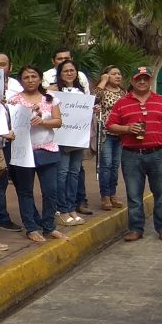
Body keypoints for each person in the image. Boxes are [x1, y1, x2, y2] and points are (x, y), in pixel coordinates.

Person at [105, 67, 162, 242]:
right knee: (134, 195)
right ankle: (135, 229)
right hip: (131, 156)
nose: (142, 82)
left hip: (158, 154)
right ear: (132, 81)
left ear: (150, 80)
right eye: (138, 79)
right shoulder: (121, 103)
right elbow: (110, 125)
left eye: (145, 78)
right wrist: (127, 129)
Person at [7, 66, 69, 244]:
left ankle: (49, 226)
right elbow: (10, 122)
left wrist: (43, 121)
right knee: (25, 191)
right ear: (21, 80)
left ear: (40, 78)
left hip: (47, 149)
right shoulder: (14, 100)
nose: (30, 79)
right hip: (23, 151)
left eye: (34, 76)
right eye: (26, 77)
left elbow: (58, 122)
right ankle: (31, 227)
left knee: (51, 191)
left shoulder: (50, 99)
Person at [0, 52, 24, 233]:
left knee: (8, 180)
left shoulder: (17, 86)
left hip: (16, 140)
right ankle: (1, 217)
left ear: (10, 67)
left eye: (2, 64)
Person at [53, 60, 90, 226]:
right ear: (59, 73)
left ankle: (71, 207)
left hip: (77, 139)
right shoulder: (54, 91)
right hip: (61, 139)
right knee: (62, 174)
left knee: (74, 173)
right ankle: (61, 209)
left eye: (72, 70)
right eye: (65, 70)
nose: (69, 73)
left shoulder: (81, 92)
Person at [93, 66, 126, 210]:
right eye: (113, 74)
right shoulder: (103, 91)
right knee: (105, 165)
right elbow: (93, 97)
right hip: (105, 134)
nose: (117, 76)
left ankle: (113, 194)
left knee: (114, 166)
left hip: (120, 134)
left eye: (119, 73)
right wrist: (103, 81)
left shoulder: (123, 92)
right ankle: (105, 195)